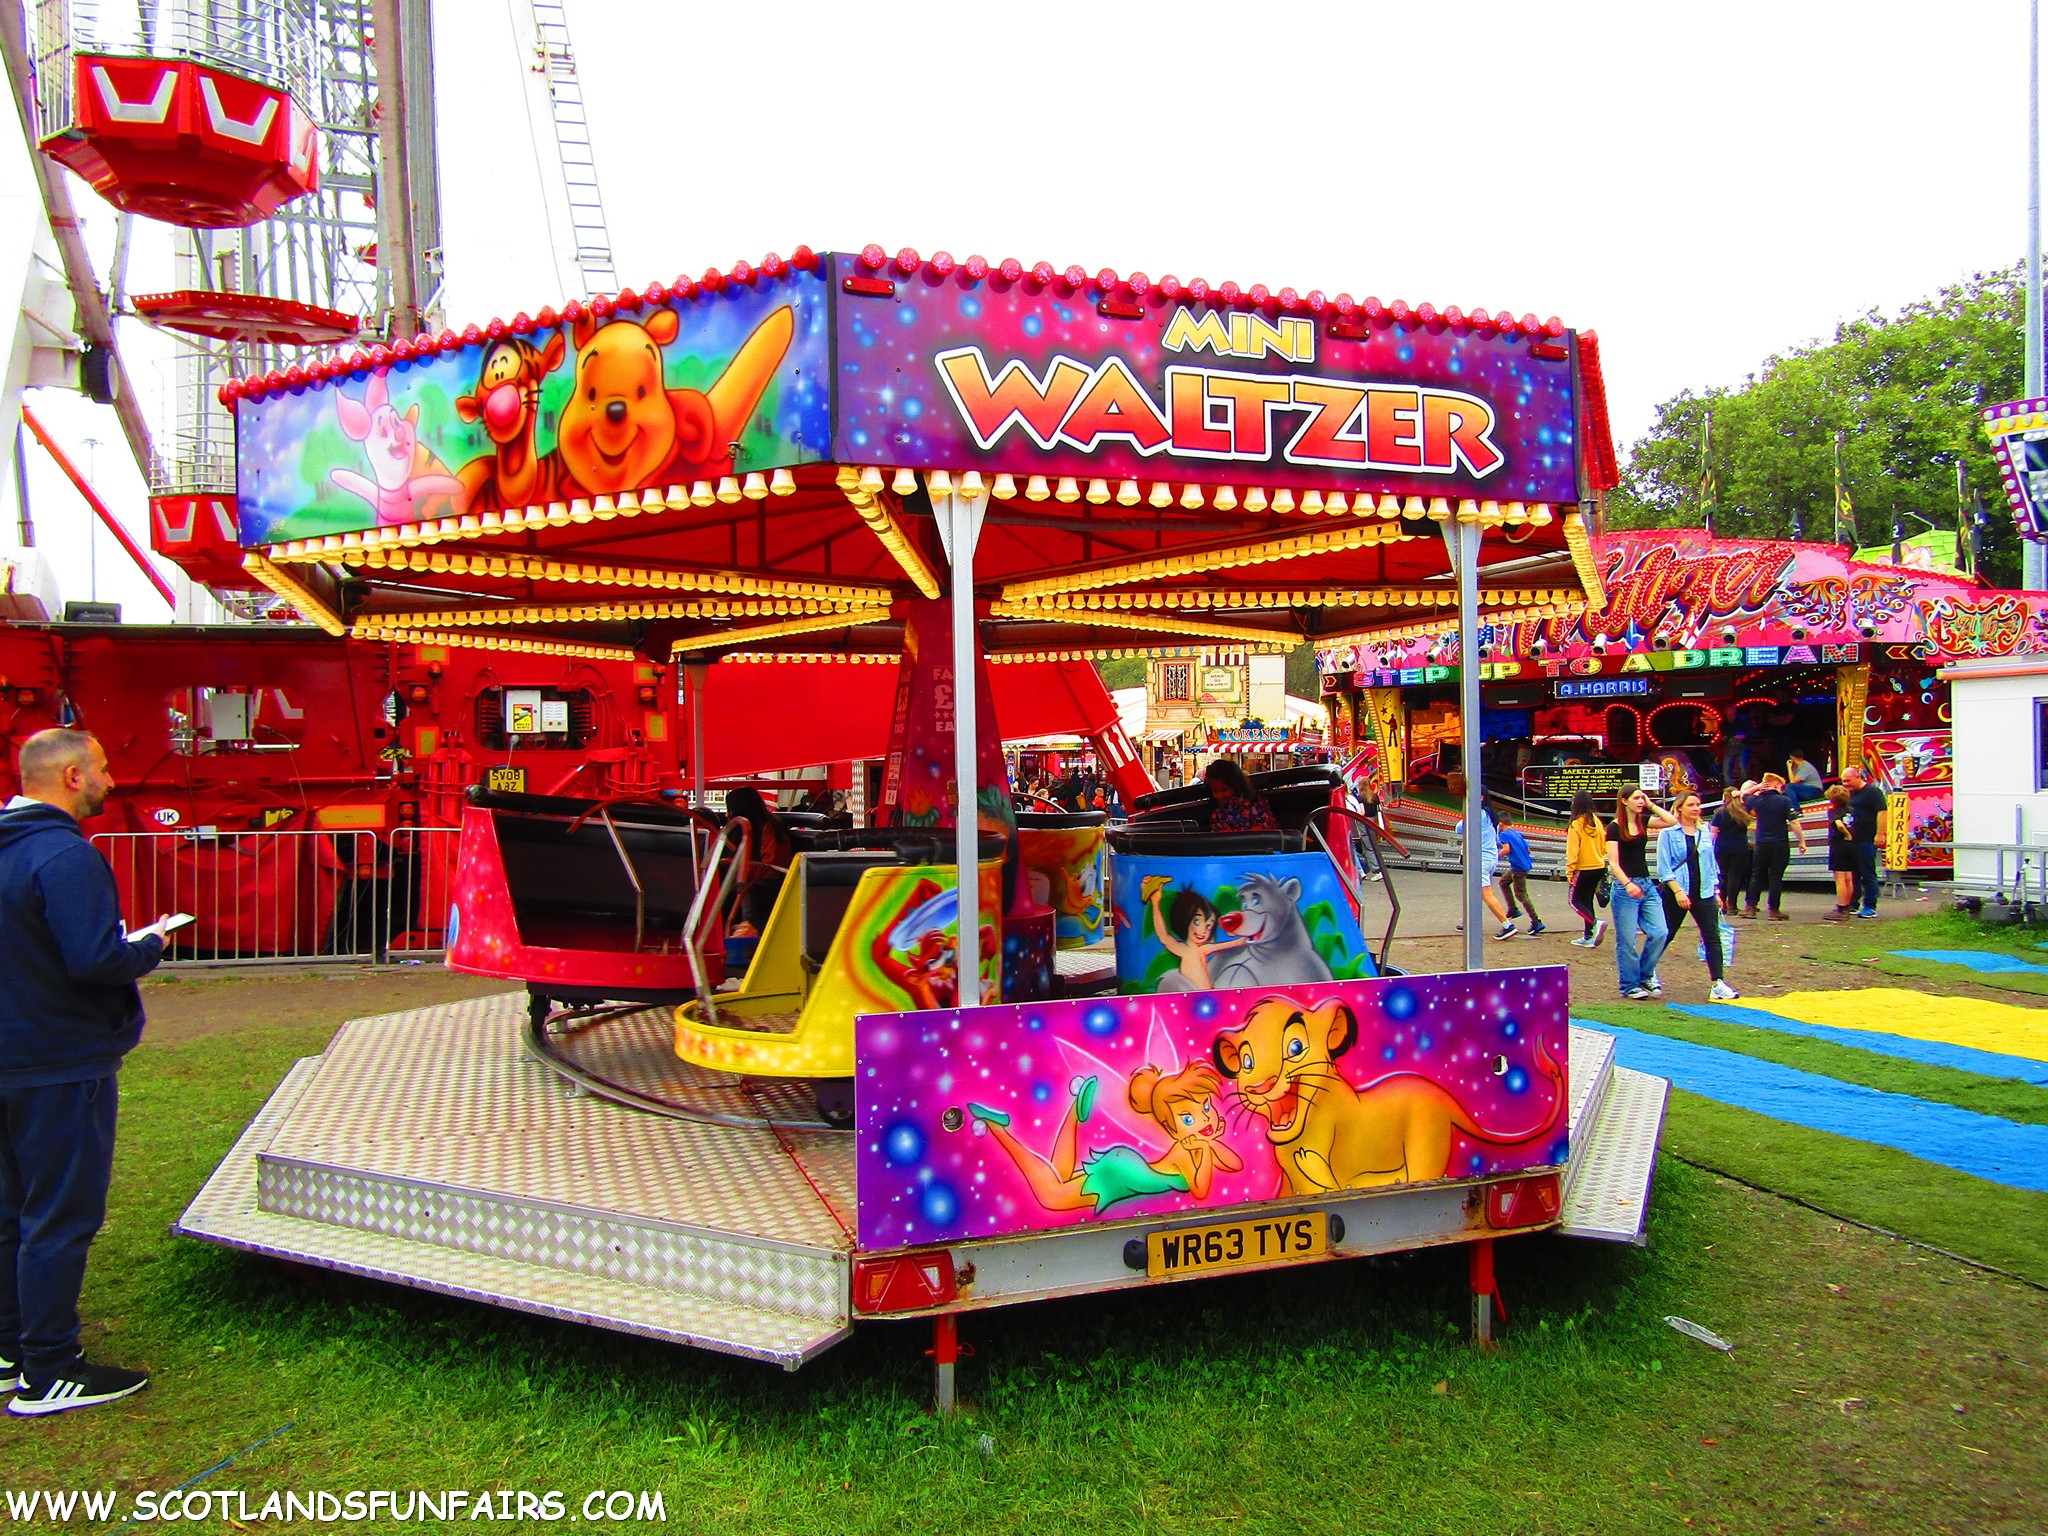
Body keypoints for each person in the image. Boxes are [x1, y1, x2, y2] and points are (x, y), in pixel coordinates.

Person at [0, 729, 169, 1416]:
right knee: (60, 1216)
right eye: (100, 768)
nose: (110, 779)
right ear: (70, 776)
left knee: (11, 1211)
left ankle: (11, 1346)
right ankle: (49, 1370)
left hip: (11, 1054)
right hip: (58, 1063)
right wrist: (150, 945)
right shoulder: (65, 857)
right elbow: (94, 959)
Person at [1657, 791, 1740, 1001]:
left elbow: (1711, 864)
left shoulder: (1703, 832)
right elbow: (1664, 867)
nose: (1695, 809)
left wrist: (1716, 890)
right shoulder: (1668, 833)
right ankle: (1647, 972)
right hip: (1677, 891)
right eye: (1691, 805)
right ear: (1680, 808)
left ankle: (1718, 982)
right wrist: (1677, 891)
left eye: (1697, 804)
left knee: (1712, 935)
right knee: (1665, 934)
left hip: (1703, 892)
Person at [1607, 786, 1676, 999]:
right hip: (1624, 887)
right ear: (1624, 801)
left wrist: (1651, 804)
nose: (1640, 801)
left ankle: (1645, 975)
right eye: (1636, 798)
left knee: (1660, 932)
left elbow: (1672, 821)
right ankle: (1629, 985)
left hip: (1646, 884)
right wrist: (1628, 884)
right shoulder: (1614, 827)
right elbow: (1613, 862)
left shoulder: (1643, 821)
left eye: (1642, 798)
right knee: (1627, 939)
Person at [722, 786, 793, 936]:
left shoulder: (770, 826)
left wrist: (745, 873)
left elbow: (771, 865)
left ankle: (749, 928)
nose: (727, 814)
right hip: (749, 877)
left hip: (770, 880)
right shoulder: (737, 830)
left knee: (744, 889)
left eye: (730, 809)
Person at [1741, 772, 1807, 920]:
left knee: (1756, 874)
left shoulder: (1756, 801)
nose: (1782, 789)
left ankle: (1750, 907)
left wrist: (1756, 787)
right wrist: (1801, 841)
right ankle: (1774, 910)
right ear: (1776, 785)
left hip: (1761, 843)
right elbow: (1794, 822)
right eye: (1781, 786)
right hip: (1779, 843)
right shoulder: (1784, 801)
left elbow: (1742, 795)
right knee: (1776, 876)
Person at [1563, 790, 1609, 948]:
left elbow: (1572, 850)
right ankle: (1588, 935)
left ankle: (1595, 923)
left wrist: (1570, 871)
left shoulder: (1576, 824)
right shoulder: (1596, 821)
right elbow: (1604, 846)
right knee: (1587, 899)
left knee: (1574, 901)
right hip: (1598, 865)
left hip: (1583, 868)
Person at [1492, 799, 1545, 935]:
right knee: (1504, 882)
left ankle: (1536, 921)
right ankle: (1512, 908)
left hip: (1518, 868)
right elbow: (1528, 850)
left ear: (1501, 824)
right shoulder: (1517, 833)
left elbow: (1506, 849)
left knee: (1521, 894)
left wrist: (1496, 856)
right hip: (1525, 865)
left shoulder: (1503, 834)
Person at [1843, 766, 1888, 918]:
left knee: (1867, 873)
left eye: (1848, 781)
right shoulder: (1849, 794)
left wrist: (1879, 834)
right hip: (1851, 840)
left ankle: (1870, 906)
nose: (1845, 784)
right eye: (1843, 781)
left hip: (1867, 838)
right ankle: (1853, 904)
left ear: (1858, 777)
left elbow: (1882, 813)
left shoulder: (1872, 792)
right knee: (1853, 874)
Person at [1711, 783, 1755, 918]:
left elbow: (1713, 832)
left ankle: (1722, 903)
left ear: (1725, 797)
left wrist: (1710, 847)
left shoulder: (1720, 812)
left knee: (1723, 876)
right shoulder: (1743, 811)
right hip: (1740, 847)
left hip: (1722, 847)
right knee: (1735, 876)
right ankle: (1732, 905)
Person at [1203, 759, 1278, 833]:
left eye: (1224, 790)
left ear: (1235, 786)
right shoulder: (1217, 815)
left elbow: (1267, 829)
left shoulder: (1255, 805)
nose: (1220, 795)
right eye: (1215, 791)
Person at [1822, 782, 1856, 920]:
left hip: (1839, 844)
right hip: (1851, 846)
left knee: (1840, 878)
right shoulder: (1852, 810)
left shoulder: (1833, 811)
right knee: (1849, 877)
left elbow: (1839, 825)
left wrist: (1846, 834)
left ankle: (1841, 908)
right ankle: (1848, 905)